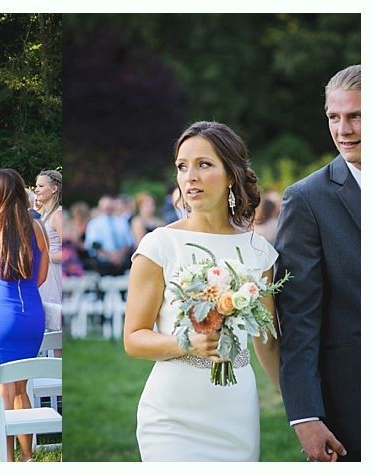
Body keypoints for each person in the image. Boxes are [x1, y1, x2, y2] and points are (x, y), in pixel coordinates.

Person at [123, 121, 280, 461]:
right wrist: (189, 343)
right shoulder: (159, 245)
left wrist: (301, 411)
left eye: (203, 164)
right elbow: (134, 338)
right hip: (171, 416)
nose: (189, 176)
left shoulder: (258, 250)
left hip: (236, 411)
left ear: (231, 175)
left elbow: (266, 341)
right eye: (182, 166)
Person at [275, 64, 360, 463]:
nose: (343, 130)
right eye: (334, 117)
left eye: (356, 116)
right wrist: (305, 414)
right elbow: (298, 317)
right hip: (354, 399)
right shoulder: (307, 199)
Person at [0, 168, 48, 462]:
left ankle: (9, 460)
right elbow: (41, 276)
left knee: (1, 389)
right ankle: (27, 457)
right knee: (20, 389)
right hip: (31, 312)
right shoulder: (36, 227)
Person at [35, 170, 63, 311]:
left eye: (41, 186)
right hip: (43, 270)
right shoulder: (43, 215)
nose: (36, 190)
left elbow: (67, 253)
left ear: (54, 188)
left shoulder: (58, 216)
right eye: (36, 186)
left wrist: (43, 256)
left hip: (54, 271)